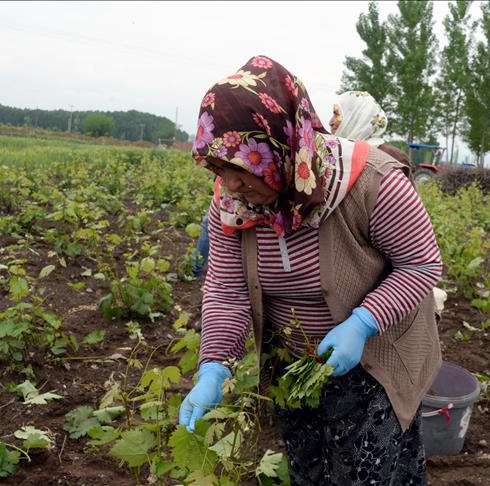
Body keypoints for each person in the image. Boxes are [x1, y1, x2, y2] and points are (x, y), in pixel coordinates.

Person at [178, 55, 443, 485]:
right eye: (219, 169)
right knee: (310, 471)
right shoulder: (232, 204)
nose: (230, 185)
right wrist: (215, 364)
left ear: (280, 148)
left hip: (374, 358)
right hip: (294, 367)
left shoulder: (372, 182)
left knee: (366, 473)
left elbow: (420, 264)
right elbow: (227, 290)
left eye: (242, 170)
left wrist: (363, 322)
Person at [330, 90, 448, 317]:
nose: (331, 121)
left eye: (337, 114)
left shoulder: (386, 157)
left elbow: (402, 224)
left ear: (358, 116)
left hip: (383, 257)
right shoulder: (341, 154)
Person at [329, 90, 412, 171]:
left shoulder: (394, 157)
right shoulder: (334, 154)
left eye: (337, 114)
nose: (330, 122)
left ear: (356, 118)